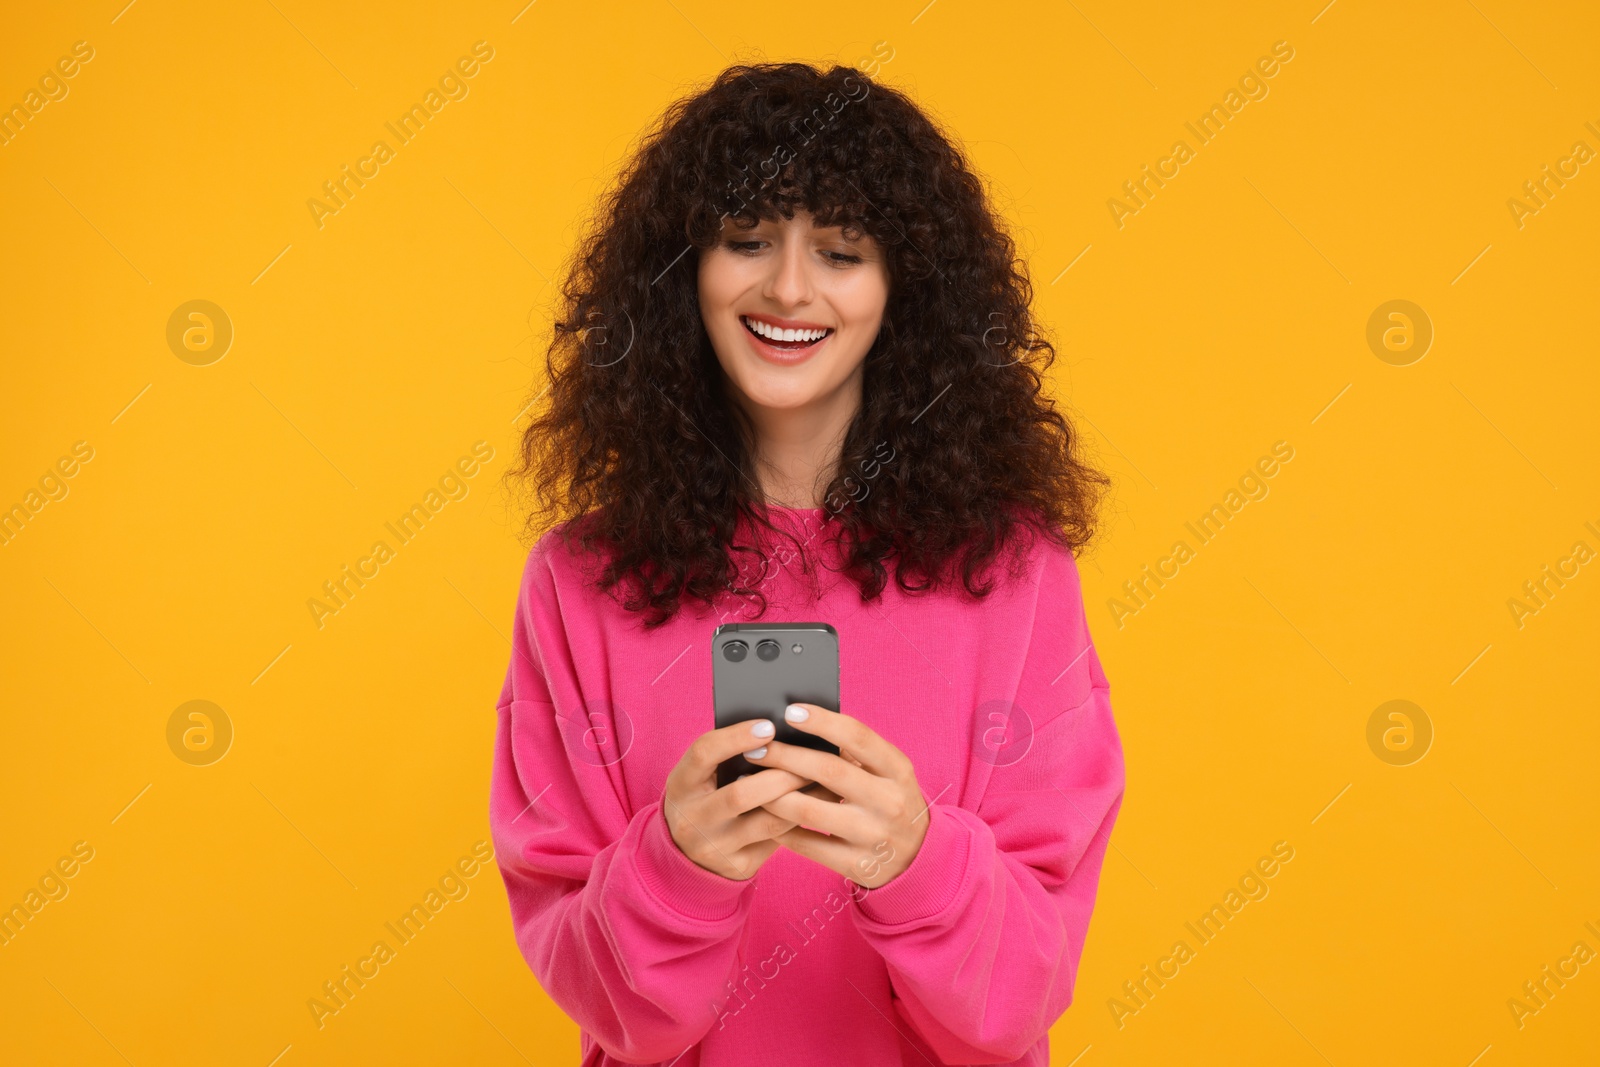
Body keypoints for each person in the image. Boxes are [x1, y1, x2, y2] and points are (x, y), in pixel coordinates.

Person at [491, 60, 1124, 1066]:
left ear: (901, 289)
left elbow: (1021, 997)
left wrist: (915, 856)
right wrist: (677, 862)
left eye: (840, 251)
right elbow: (610, 1007)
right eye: (746, 241)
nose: (788, 287)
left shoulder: (1016, 574)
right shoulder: (578, 582)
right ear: (679, 274)